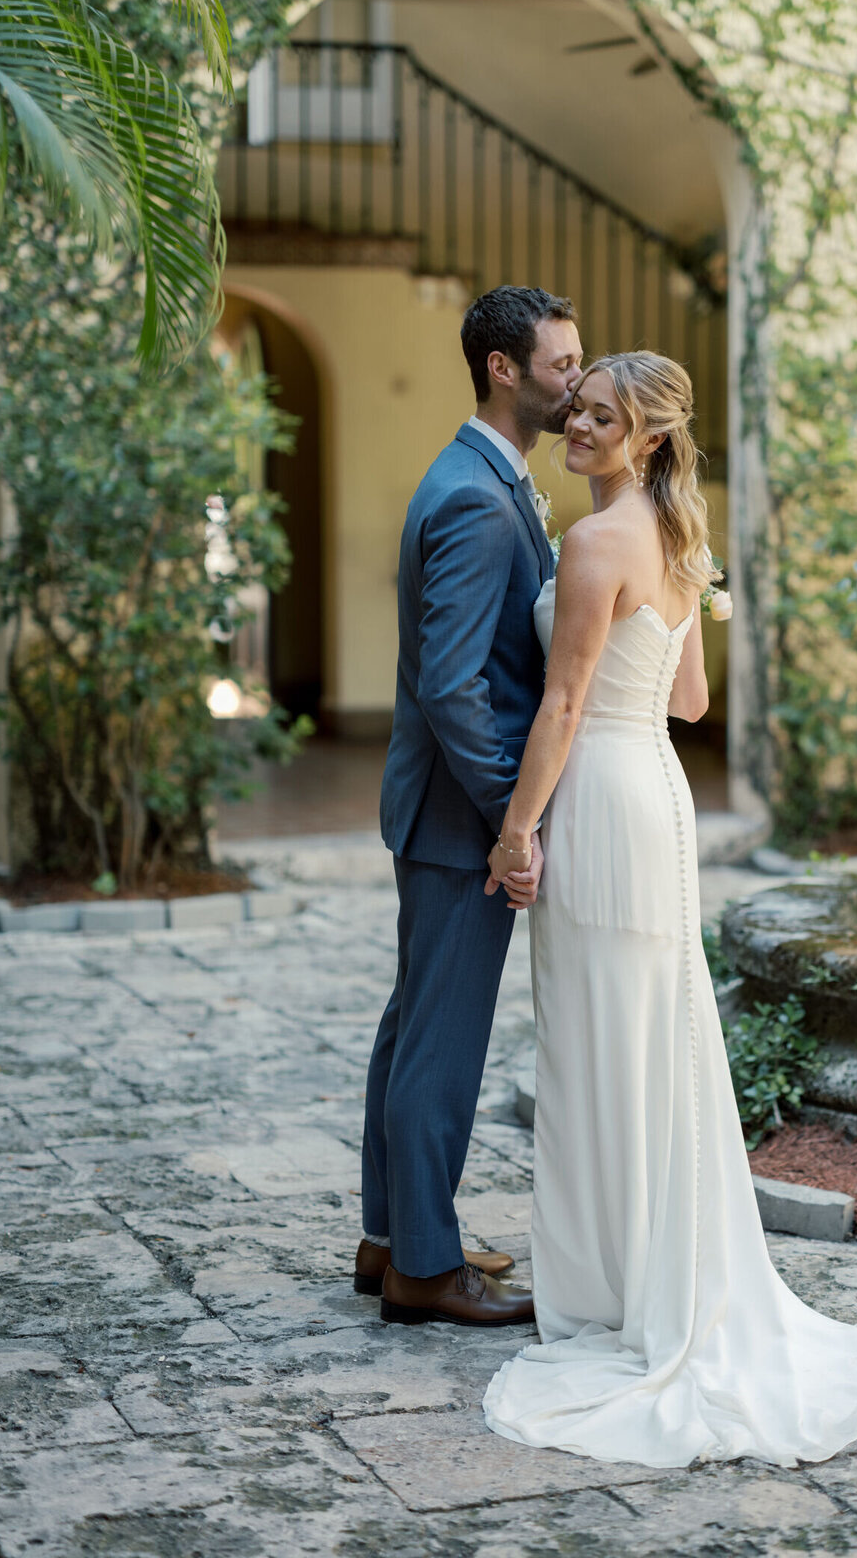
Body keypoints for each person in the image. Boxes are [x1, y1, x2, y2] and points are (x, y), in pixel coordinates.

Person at [481, 351, 857, 1467]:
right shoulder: (677, 541)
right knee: (654, 1044)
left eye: (599, 419)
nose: (575, 429)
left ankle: (611, 1299)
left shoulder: (591, 542)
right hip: (656, 793)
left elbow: (566, 699)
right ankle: (657, 1276)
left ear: (649, 437)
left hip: (603, 799)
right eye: (575, 412)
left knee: (598, 1049)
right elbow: (692, 698)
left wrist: (520, 829)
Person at [359, 285, 583, 1328]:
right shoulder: (474, 497)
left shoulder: (487, 478)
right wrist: (513, 819)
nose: (575, 382)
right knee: (440, 1044)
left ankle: (391, 1235)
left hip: (440, 815)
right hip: (461, 823)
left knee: (414, 1027)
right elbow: (453, 685)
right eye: (561, 364)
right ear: (504, 368)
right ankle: (423, 1269)